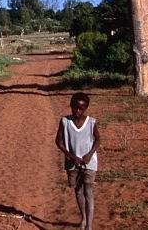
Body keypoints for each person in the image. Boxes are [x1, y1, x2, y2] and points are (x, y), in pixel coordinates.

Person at [55, 92, 100, 230]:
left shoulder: (91, 122)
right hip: (72, 163)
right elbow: (59, 141)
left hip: (89, 162)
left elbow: (97, 140)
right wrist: (70, 155)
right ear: (71, 106)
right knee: (78, 191)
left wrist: (89, 154)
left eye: (82, 108)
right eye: (75, 108)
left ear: (86, 108)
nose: (78, 111)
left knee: (88, 191)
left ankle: (89, 227)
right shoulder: (65, 121)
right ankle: (84, 218)